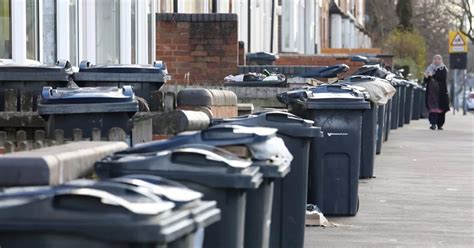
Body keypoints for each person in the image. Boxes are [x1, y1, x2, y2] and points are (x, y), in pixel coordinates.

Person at [424, 54, 450, 130]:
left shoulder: (443, 69)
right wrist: (426, 77)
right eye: (435, 59)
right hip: (431, 93)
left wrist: (432, 75)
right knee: (432, 109)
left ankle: (440, 124)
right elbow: (426, 80)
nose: (437, 60)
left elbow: (441, 77)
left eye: (438, 59)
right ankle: (433, 123)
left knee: (441, 109)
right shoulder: (429, 68)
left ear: (441, 60)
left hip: (440, 93)